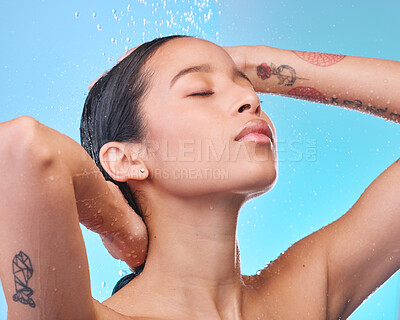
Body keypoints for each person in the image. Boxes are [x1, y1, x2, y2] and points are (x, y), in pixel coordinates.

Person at [0, 34, 398, 320]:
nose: (252, 99)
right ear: (124, 159)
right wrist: (119, 226)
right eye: (201, 91)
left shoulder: (306, 293)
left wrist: (252, 61)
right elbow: (20, 147)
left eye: (246, 87)